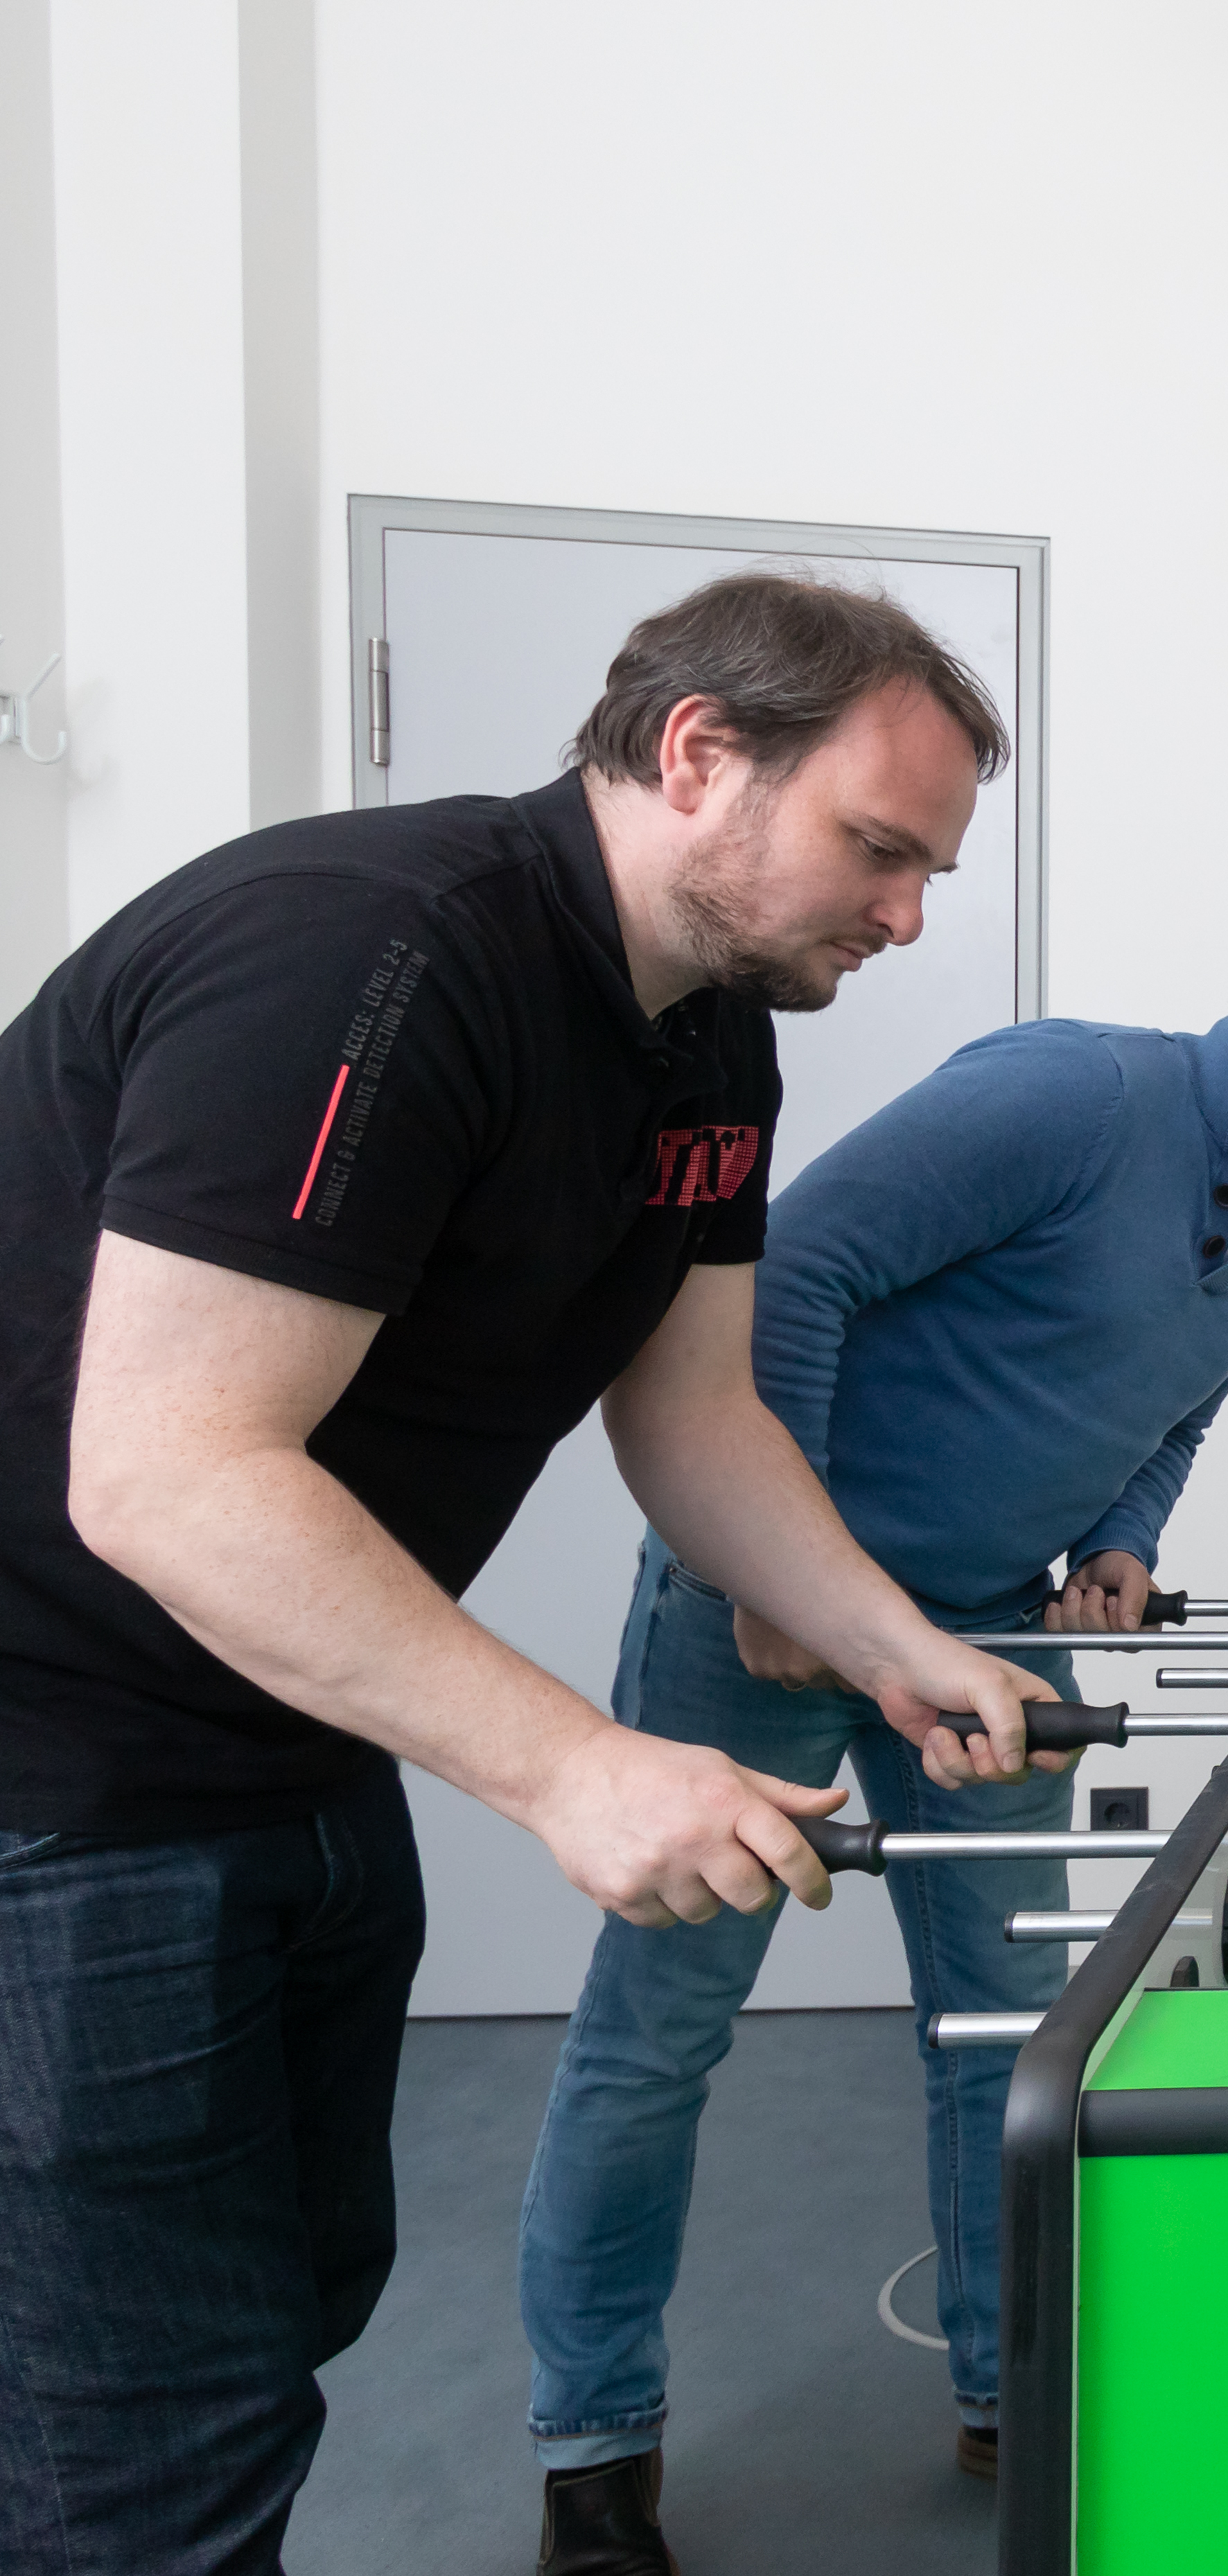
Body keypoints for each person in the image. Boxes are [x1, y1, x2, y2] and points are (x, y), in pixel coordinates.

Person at [0, 573, 1055, 2576]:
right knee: (134, 2438)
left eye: (929, 868)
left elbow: (696, 1410)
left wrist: (890, 1642)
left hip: (296, 1744)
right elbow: (167, 1471)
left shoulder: (711, 1037)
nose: (908, 915)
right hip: (59, 1782)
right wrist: (577, 1765)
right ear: (697, 753)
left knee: (279, 2319)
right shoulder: (368, 956)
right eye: (879, 848)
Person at [514, 883, 1228, 2562]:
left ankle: (1008, 2388)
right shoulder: (1073, 1094)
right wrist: (778, 1572)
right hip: (761, 1616)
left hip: (980, 1637)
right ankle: (591, 2444)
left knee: (1008, 2030)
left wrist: (1121, 1538)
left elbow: (1179, 1410)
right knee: (660, 2026)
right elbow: (786, 1275)